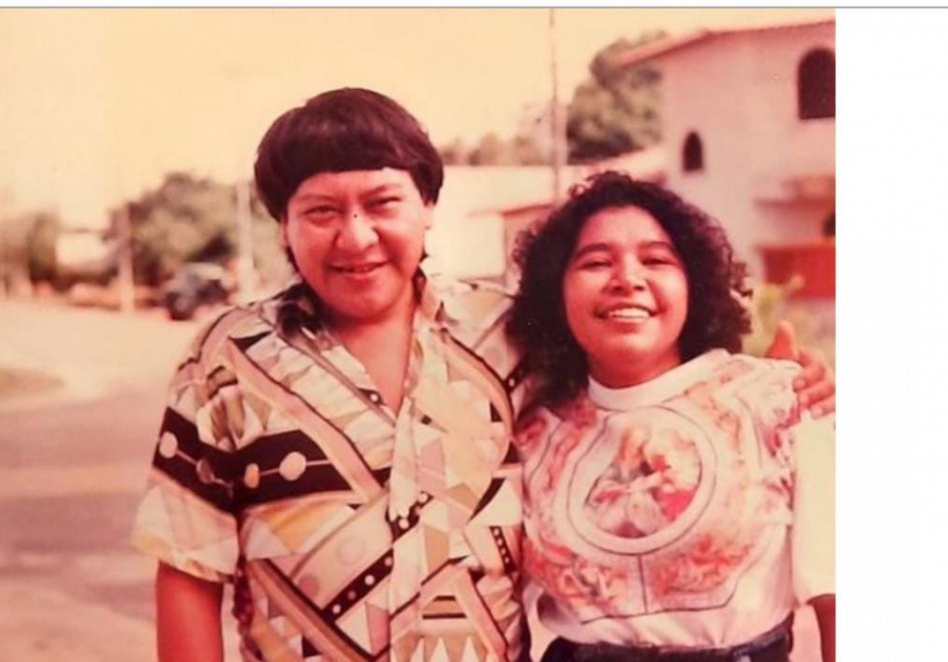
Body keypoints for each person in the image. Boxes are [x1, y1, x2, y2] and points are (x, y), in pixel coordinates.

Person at [130, 89, 834, 662]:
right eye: (320, 211)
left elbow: (638, 370)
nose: (355, 237)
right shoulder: (229, 358)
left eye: (381, 204)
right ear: (283, 224)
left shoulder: (508, 333)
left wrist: (777, 386)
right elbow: (189, 568)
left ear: (427, 208)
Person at [506, 171, 835, 662]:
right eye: (596, 262)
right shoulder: (531, 432)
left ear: (693, 284)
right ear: (558, 292)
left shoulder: (777, 399)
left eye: (656, 260)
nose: (627, 280)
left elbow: (839, 589)